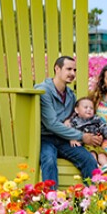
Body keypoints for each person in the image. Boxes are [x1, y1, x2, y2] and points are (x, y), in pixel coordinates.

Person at [36, 56, 102, 189]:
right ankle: (51, 201)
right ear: (57, 69)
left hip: (64, 139)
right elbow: (51, 124)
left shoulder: (71, 95)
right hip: (45, 138)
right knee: (48, 160)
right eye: (69, 69)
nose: (72, 73)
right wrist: (81, 136)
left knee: (88, 159)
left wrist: (91, 133)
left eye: (75, 70)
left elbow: (73, 118)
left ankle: (91, 199)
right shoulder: (43, 91)